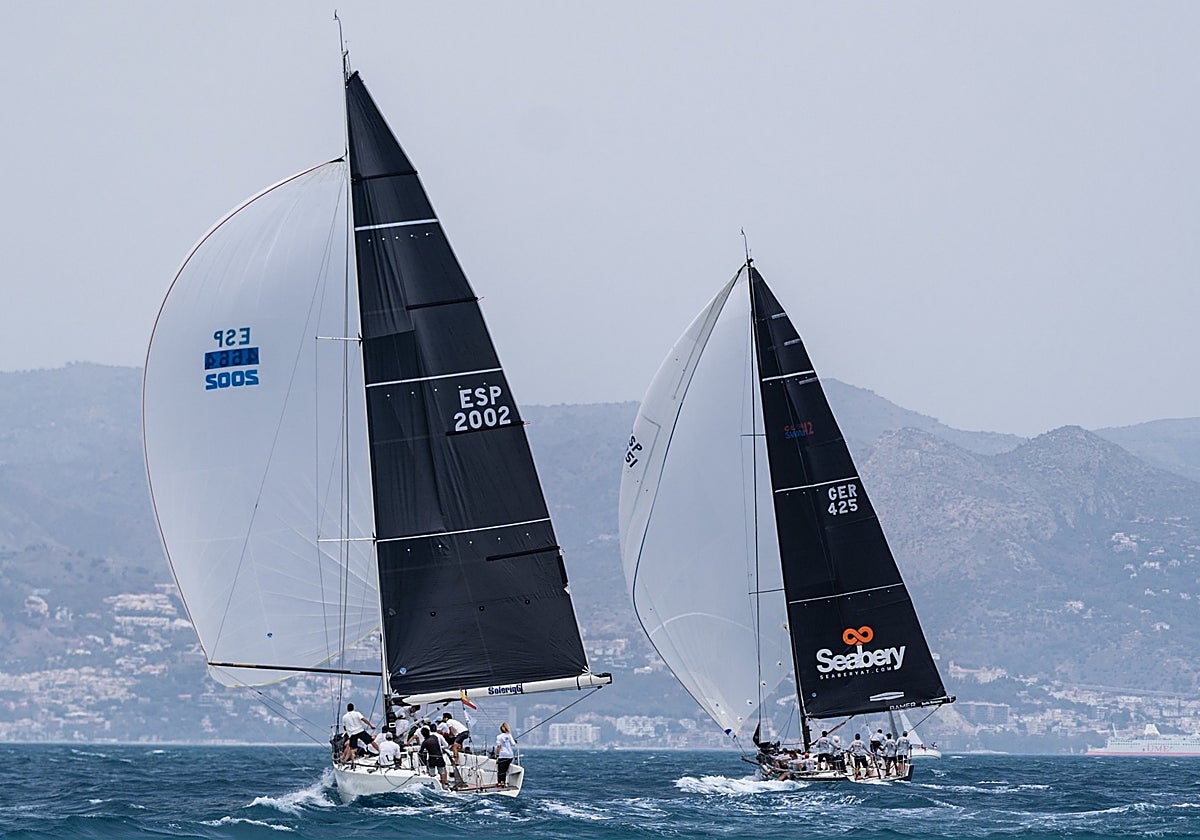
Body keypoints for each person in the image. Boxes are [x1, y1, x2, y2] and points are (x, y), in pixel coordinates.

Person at [495, 722, 517, 788]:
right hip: (510, 755)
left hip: (502, 755)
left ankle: (499, 783)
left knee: (500, 770)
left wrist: (497, 755)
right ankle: (503, 783)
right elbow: (513, 744)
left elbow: (499, 747)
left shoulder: (499, 737)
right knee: (505, 770)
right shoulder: (509, 735)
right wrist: (514, 741)